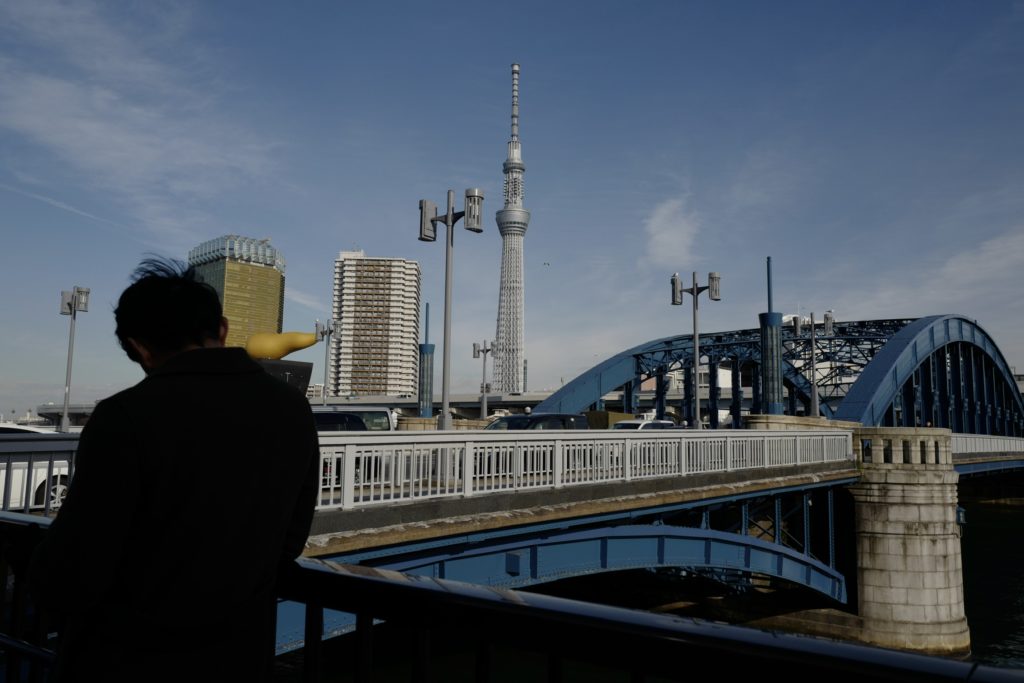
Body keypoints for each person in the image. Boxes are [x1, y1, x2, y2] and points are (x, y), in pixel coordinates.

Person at [30, 257, 320, 682]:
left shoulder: (124, 417)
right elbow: (290, 540)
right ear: (221, 329)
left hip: (126, 658)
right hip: (238, 655)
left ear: (140, 348)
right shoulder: (292, 408)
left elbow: (77, 568)